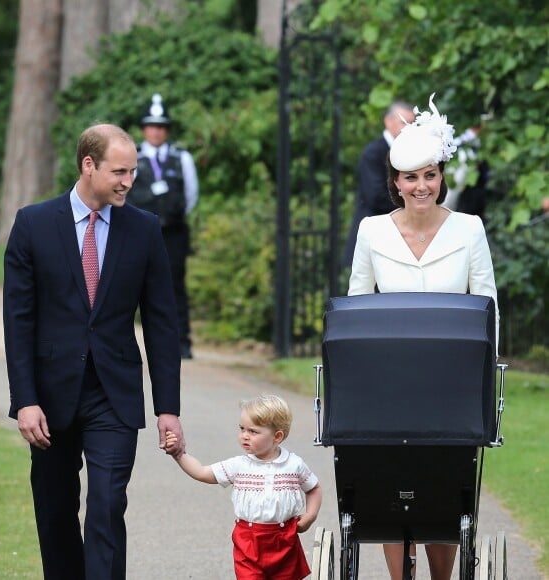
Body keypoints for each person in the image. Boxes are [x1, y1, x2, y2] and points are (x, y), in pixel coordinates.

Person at [3, 123, 185, 580]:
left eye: (133, 171)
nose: (129, 181)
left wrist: (168, 408)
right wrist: (25, 400)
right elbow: (18, 322)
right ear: (88, 165)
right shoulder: (33, 224)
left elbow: (162, 324)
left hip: (114, 394)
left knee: (107, 504)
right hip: (48, 397)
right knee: (55, 509)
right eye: (119, 171)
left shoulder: (144, 230)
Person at [347, 94, 499, 580]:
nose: (421, 186)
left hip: (451, 386)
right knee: (386, 486)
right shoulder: (372, 232)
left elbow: (488, 309)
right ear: (395, 182)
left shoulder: (469, 230)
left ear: (441, 177)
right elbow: (355, 311)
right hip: (385, 385)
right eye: (411, 177)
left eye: (429, 175)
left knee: (443, 486)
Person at [165, 394, 322, 580]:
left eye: (253, 431)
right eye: (242, 429)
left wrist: (310, 516)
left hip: (285, 539)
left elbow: (314, 488)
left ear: (277, 436)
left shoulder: (294, 465)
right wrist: (179, 454)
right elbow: (202, 472)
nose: (244, 436)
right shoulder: (239, 465)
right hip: (248, 541)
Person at [127, 93, 199, 359]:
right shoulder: (132, 157)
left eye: (161, 126)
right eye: (151, 126)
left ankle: (182, 343)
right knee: (132, 287)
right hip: (138, 234)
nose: (156, 131)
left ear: (166, 129)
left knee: (174, 288)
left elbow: (191, 195)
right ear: (144, 129)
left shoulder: (182, 158)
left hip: (172, 234)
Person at [342, 100, 415, 267]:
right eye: (405, 123)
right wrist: (413, 204)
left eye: (413, 123)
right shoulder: (373, 153)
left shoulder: (410, 152)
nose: (410, 128)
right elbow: (375, 197)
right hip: (375, 239)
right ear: (388, 121)